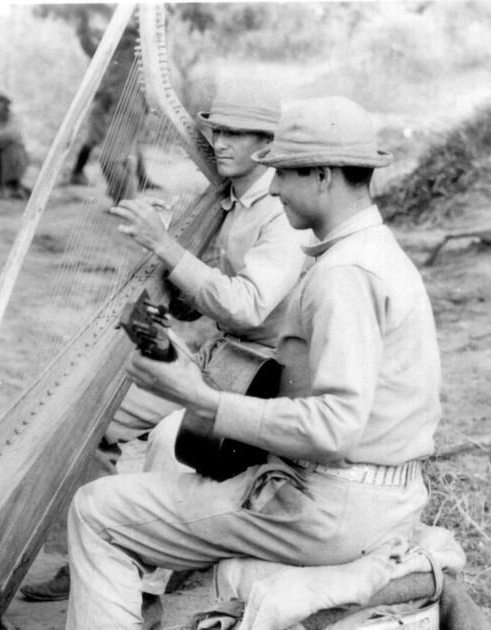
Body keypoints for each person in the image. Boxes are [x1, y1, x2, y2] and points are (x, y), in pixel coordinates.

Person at [65, 96, 442, 629]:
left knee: (96, 510)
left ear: (323, 176)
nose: (276, 188)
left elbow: (334, 427)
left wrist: (200, 398)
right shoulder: (374, 253)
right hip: (369, 494)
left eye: (283, 173)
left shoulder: (345, 275)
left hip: (328, 508)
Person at [22, 78, 307, 608]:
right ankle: (87, 557)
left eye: (236, 134)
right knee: (93, 410)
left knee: (168, 438)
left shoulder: (280, 211)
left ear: (268, 144)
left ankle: (147, 587)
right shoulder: (230, 199)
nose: (219, 143)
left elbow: (247, 306)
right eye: (217, 131)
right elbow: (204, 301)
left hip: (262, 379)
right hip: (222, 361)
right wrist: (168, 276)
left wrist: (166, 245)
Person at [67, 7, 148, 202]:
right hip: (115, 109)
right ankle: (124, 199)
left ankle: (125, 200)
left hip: (128, 110)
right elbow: (93, 50)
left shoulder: (131, 45)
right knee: (121, 157)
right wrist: (83, 28)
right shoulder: (116, 50)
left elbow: (95, 48)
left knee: (110, 160)